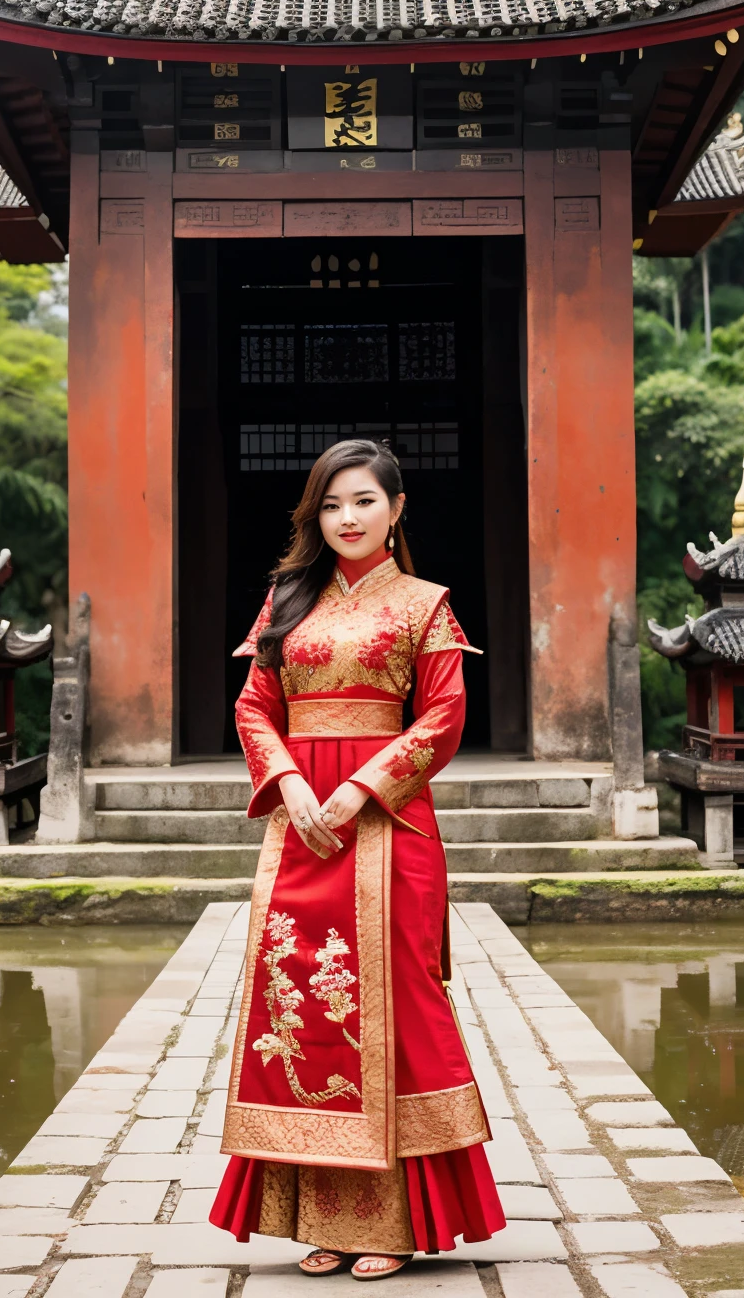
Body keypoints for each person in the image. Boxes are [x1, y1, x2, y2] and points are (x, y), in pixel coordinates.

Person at [209, 438, 505, 1280]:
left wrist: (363, 788)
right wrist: (291, 784)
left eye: (364, 501)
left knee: (398, 1000)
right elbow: (254, 706)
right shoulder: (284, 602)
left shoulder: (426, 605)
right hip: (300, 827)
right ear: (316, 514)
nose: (347, 518)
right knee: (301, 999)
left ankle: (397, 1222)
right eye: (332, 504)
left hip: (391, 825)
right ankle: (325, 1217)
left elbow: (442, 719)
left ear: (397, 508)